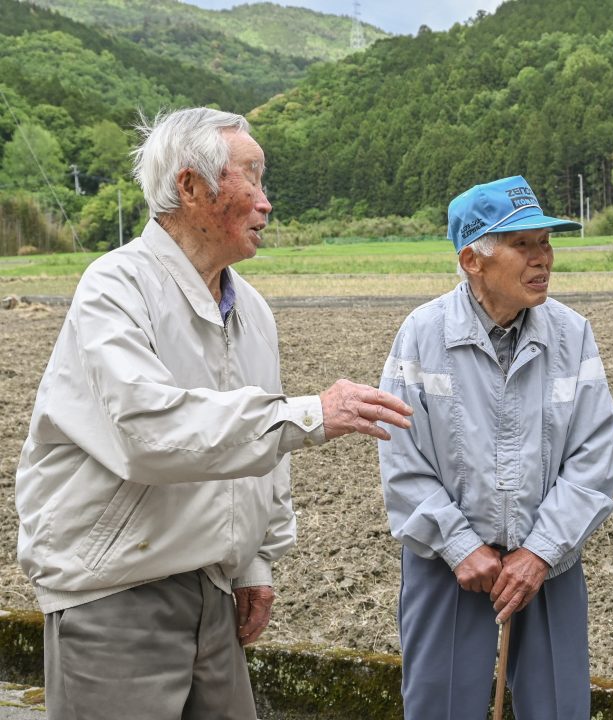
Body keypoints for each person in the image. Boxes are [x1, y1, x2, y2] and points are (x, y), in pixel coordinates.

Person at [15, 107, 412, 720]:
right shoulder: (115, 287)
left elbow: (258, 451)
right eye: (251, 178)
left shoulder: (249, 307)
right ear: (191, 186)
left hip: (212, 589)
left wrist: (255, 560)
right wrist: (310, 415)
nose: (266, 202)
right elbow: (150, 433)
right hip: (115, 594)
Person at [378, 175, 613, 720]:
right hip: (449, 565)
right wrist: (460, 545)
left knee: (559, 707)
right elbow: (401, 457)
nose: (543, 260)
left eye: (546, 243)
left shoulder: (571, 333)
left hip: (549, 564)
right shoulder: (422, 334)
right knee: (440, 706)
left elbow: (596, 456)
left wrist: (539, 552)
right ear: (473, 260)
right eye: (523, 245)